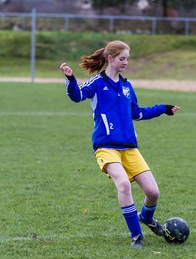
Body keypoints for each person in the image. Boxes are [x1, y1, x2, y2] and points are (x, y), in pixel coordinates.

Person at [60, 40, 180, 248]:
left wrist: (163, 109)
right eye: (122, 58)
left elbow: (137, 113)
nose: (125, 62)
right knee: (123, 184)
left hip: (129, 148)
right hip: (106, 147)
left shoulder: (126, 86)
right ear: (110, 58)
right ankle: (137, 236)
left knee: (153, 192)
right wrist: (70, 79)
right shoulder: (97, 83)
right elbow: (77, 95)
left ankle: (147, 218)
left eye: (127, 59)